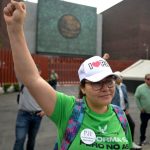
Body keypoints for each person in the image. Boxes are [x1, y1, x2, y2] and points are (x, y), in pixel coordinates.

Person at [3, 1, 132, 149]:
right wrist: (15, 28)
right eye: (97, 82)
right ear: (83, 88)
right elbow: (31, 79)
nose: (106, 88)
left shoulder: (120, 116)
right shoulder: (69, 110)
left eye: (109, 81)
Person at [13, 67, 45, 150]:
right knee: (20, 139)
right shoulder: (23, 81)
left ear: (40, 72)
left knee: (31, 140)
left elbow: (47, 99)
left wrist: (44, 111)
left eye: (38, 71)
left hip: (37, 116)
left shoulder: (43, 84)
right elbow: (17, 68)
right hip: (23, 115)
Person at [111, 71, 141, 149]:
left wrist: (127, 108)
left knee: (131, 124)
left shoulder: (123, 86)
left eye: (119, 77)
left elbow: (126, 98)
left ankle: (131, 142)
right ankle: (118, 143)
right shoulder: (112, 86)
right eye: (116, 77)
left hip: (123, 110)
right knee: (117, 127)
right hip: (115, 110)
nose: (118, 78)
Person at [134, 73, 150, 146]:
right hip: (145, 112)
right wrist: (140, 108)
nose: (149, 80)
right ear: (145, 80)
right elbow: (136, 98)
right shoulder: (140, 88)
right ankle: (142, 140)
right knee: (143, 126)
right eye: (148, 79)